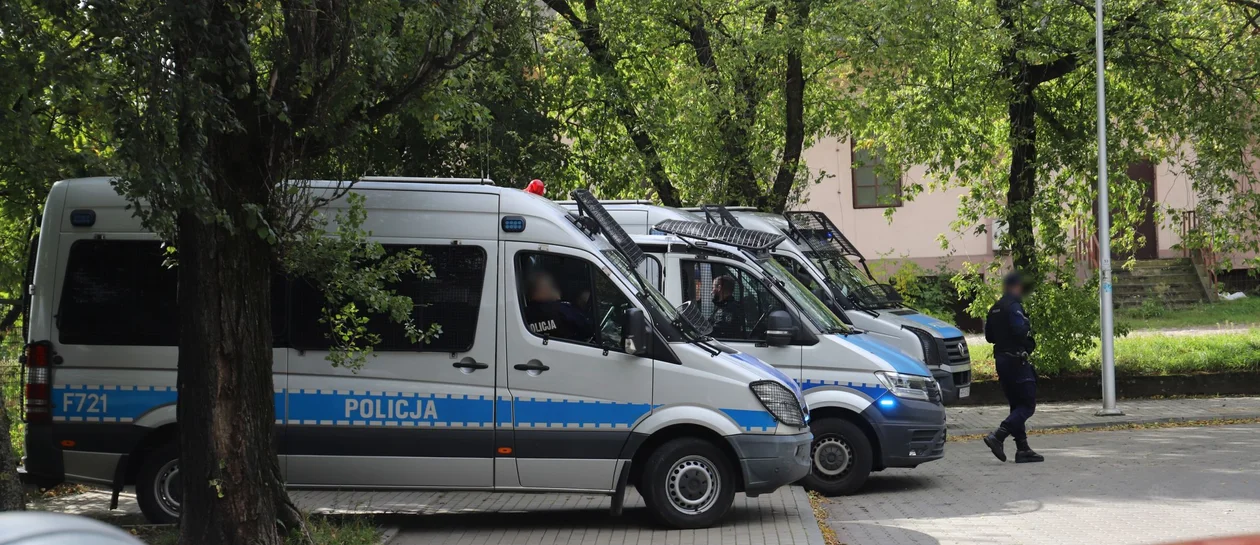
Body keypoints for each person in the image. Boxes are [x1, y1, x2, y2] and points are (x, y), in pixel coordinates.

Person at [983, 271, 1044, 463]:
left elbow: (989, 337)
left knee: (1016, 405)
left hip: (1001, 360)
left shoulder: (995, 308)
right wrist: (1026, 327)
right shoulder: (1014, 306)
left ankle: (1022, 449)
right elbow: (1020, 330)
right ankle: (998, 435)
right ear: (1015, 287)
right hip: (1016, 360)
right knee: (1027, 405)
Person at [524, 270, 595, 342]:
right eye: (551, 286)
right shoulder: (562, 310)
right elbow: (588, 329)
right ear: (543, 289)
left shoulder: (523, 314)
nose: (553, 289)